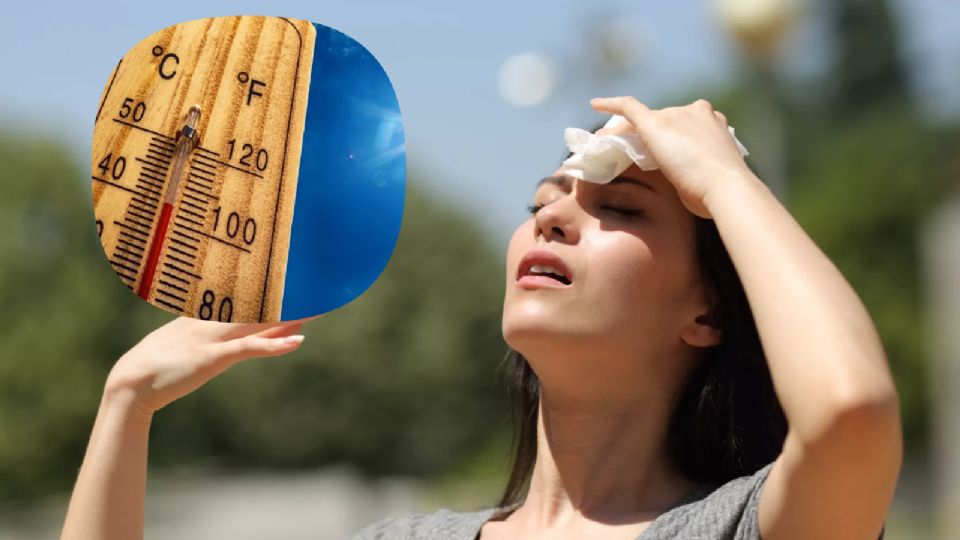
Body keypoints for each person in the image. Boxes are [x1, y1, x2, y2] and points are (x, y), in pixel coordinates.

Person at [61, 97, 902, 540]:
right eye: (542, 200)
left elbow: (849, 411)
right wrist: (126, 405)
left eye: (624, 210)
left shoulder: (738, 528)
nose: (553, 218)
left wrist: (722, 178)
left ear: (708, 312)